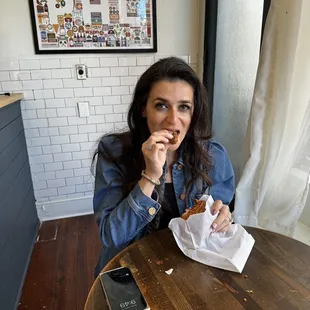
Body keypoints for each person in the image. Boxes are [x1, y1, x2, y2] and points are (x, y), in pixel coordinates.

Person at [92, 57, 235, 276]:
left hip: (190, 267)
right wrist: (150, 175)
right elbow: (111, 236)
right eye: (161, 106)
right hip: (130, 270)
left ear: (193, 113)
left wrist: (222, 217)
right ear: (143, 109)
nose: (173, 119)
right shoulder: (114, 152)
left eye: (184, 107)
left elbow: (219, 213)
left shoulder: (213, 156)